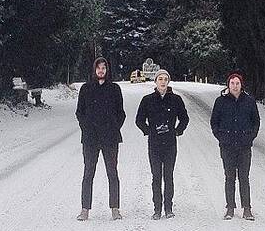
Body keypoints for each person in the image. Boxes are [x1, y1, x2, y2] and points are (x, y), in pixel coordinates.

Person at [76, 57, 126, 221]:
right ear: (94, 69)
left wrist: (114, 127)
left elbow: (121, 113)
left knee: (112, 173)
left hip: (110, 138)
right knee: (88, 173)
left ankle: (115, 208)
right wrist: (86, 127)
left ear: (108, 70)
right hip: (90, 138)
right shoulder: (85, 89)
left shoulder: (115, 89)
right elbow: (79, 112)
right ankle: (85, 209)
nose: (101, 71)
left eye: (104, 68)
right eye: (98, 68)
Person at [136, 69, 189, 219]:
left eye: (165, 79)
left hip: (170, 143)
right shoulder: (147, 100)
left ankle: (168, 208)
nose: (163, 81)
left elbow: (184, 118)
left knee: (169, 176)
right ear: (155, 81)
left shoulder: (176, 100)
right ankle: (157, 209)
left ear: (168, 81)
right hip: (154, 143)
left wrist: (177, 131)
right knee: (156, 176)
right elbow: (139, 120)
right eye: (160, 79)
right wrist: (149, 131)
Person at [210, 71, 260, 221]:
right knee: (229, 177)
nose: (235, 86)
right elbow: (214, 122)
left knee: (244, 177)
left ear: (241, 84)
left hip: (244, 146)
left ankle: (247, 209)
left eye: (237, 83)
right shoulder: (221, 101)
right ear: (228, 85)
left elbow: (256, 121)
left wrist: (250, 137)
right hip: (227, 146)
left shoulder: (249, 101)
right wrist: (221, 137)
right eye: (232, 83)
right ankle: (230, 208)